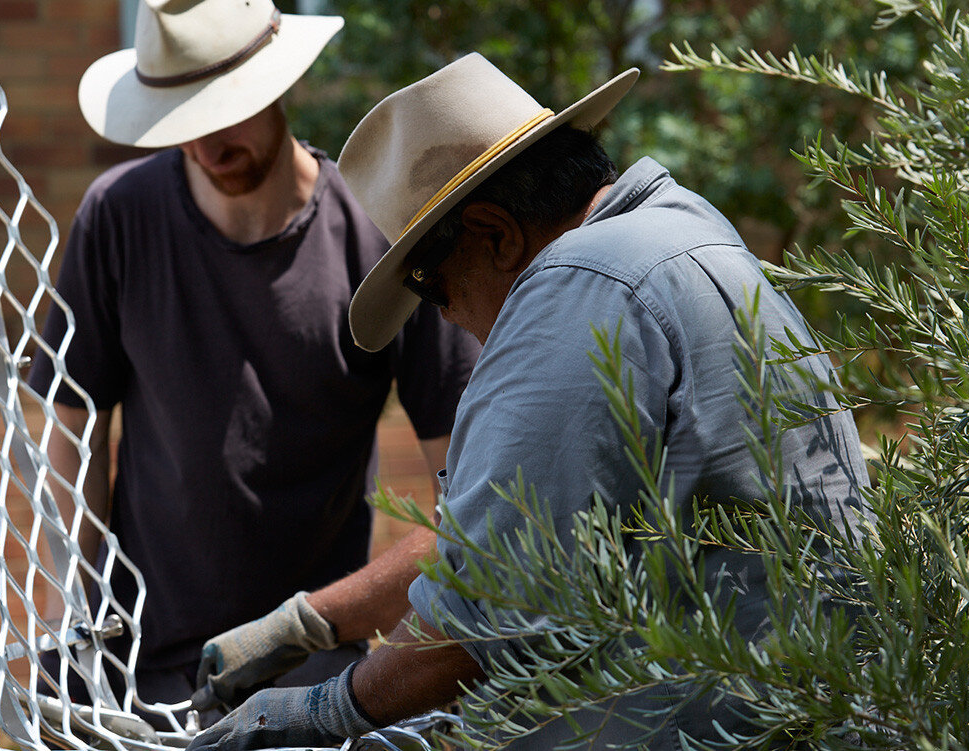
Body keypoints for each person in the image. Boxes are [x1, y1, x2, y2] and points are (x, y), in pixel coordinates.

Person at [184, 53, 870, 750]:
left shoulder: (578, 286)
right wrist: (308, 621)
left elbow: (486, 616)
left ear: (496, 234)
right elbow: (491, 541)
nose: (444, 318)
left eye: (430, 284)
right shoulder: (678, 234)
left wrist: (318, 711)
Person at [27, 0, 480, 720]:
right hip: (140, 658)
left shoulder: (378, 240)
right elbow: (77, 438)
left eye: (224, 111)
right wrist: (69, 624)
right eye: (182, 123)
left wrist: (345, 635)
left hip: (313, 671)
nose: (207, 145)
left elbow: (469, 497)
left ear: (278, 85)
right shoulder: (118, 215)